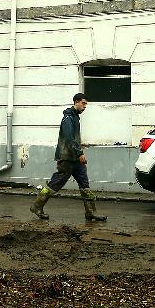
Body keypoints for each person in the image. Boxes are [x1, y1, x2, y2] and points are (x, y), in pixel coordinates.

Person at [30, 93, 106, 222]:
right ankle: (37, 206)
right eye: (83, 103)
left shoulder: (75, 117)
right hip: (67, 158)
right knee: (55, 184)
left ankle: (91, 212)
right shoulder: (68, 118)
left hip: (75, 159)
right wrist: (79, 153)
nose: (85, 106)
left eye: (86, 103)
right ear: (76, 102)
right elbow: (70, 139)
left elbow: (74, 139)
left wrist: (80, 150)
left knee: (84, 184)